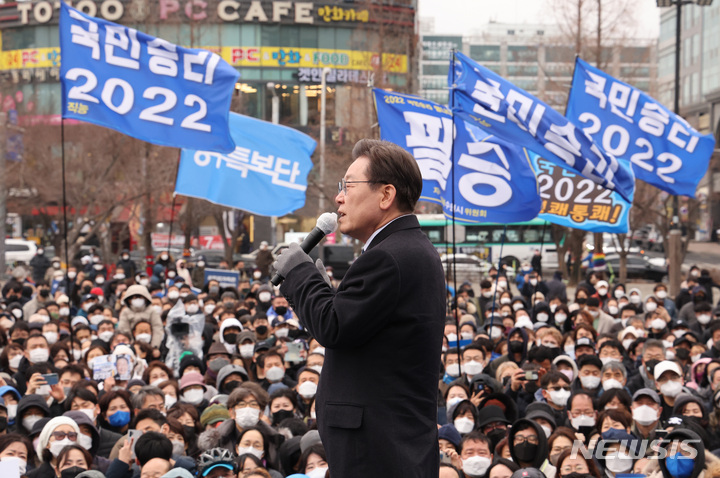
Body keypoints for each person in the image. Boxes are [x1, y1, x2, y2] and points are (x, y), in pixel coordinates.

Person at [273, 139, 446, 477]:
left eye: (348, 186)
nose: (339, 198)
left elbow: (334, 326)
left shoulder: (389, 255)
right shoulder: (405, 249)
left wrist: (299, 272)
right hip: (388, 445)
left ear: (386, 195)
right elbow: (353, 323)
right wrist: (318, 288)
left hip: (378, 450)